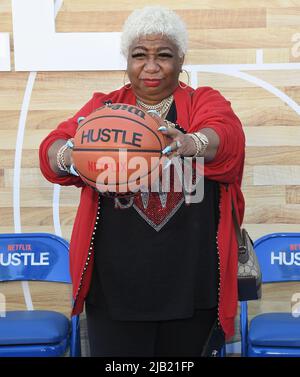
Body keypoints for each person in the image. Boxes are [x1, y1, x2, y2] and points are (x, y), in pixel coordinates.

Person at [39, 6, 245, 357]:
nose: (151, 66)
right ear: (127, 60)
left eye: (163, 55)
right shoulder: (105, 106)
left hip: (190, 283)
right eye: (139, 56)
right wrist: (72, 156)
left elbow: (226, 138)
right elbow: (51, 149)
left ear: (181, 60)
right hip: (115, 285)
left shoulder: (202, 102)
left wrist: (188, 142)